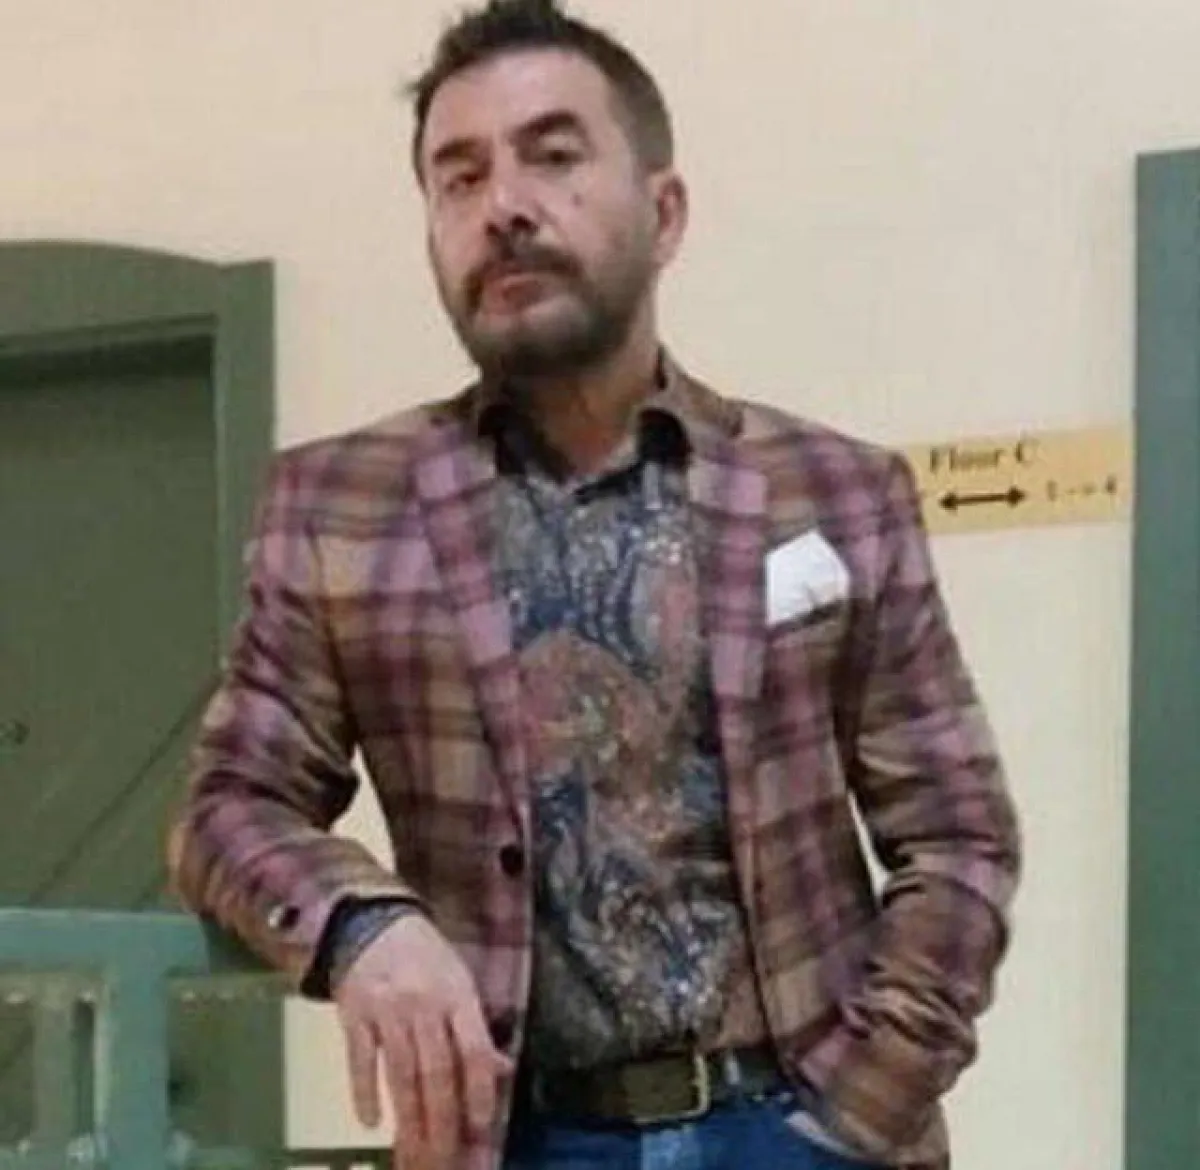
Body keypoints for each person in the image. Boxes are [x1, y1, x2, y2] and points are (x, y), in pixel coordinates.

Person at [168, 2, 1021, 1168]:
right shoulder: (341, 507)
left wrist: (859, 1120)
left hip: (799, 1118)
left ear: (664, 214)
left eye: (553, 155)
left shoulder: (832, 490)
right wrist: (359, 922)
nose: (504, 205)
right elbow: (229, 806)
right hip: (518, 1134)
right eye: (459, 178)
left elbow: (959, 836)